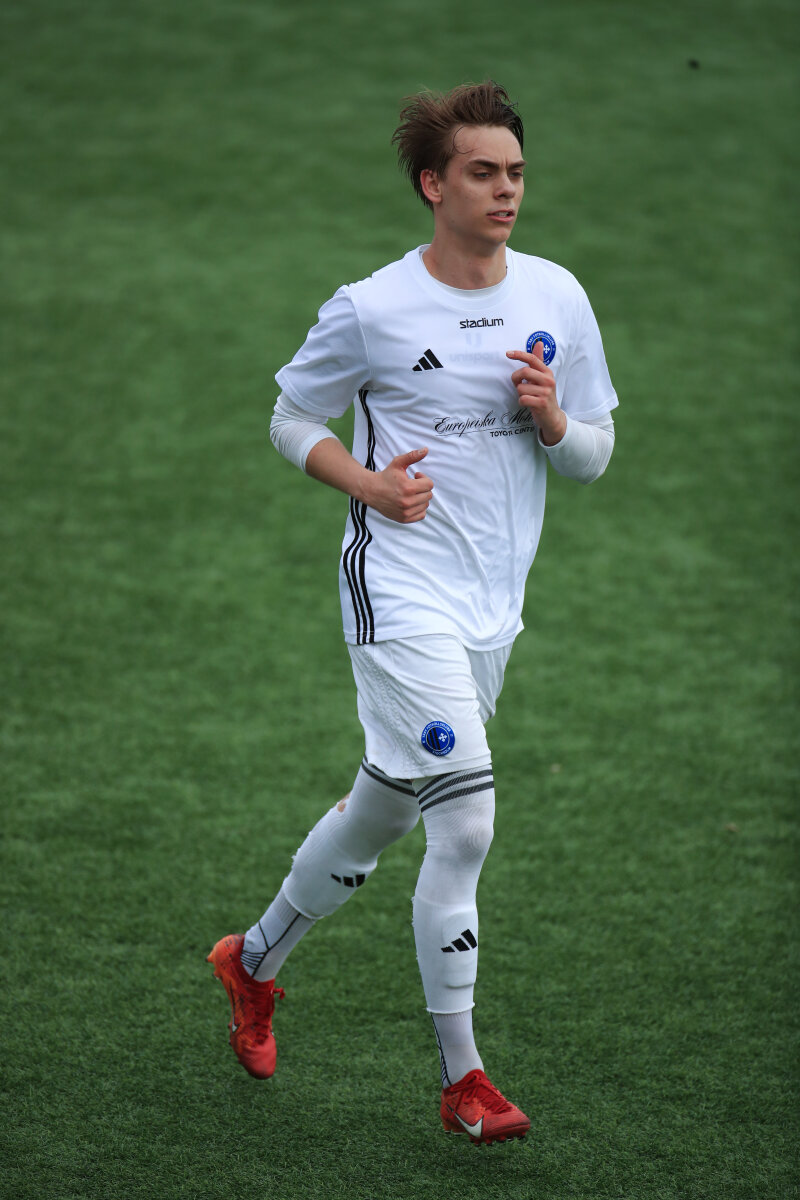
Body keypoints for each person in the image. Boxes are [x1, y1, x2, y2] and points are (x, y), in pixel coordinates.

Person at [208, 80, 618, 1146]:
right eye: (482, 172)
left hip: (491, 611)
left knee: (383, 810)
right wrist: (369, 486)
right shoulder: (373, 308)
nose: (505, 190)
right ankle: (462, 1079)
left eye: (515, 172)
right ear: (433, 184)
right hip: (395, 590)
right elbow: (291, 417)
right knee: (465, 821)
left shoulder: (556, 295)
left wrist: (552, 420)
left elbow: (592, 457)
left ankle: (252, 962)